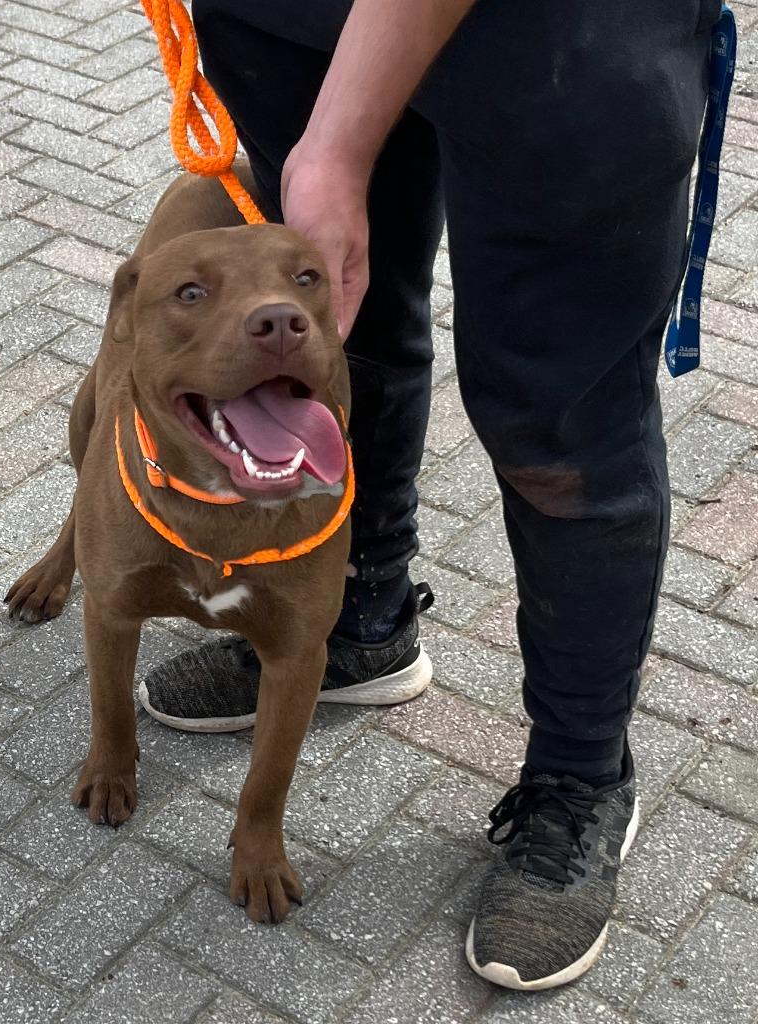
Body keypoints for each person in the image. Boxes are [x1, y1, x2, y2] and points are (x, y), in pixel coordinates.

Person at [141, 0, 722, 989]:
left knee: (560, 423)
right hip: (288, 21)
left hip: (559, 36)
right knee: (336, 341)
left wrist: (334, 144)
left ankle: (580, 779)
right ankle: (359, 625)